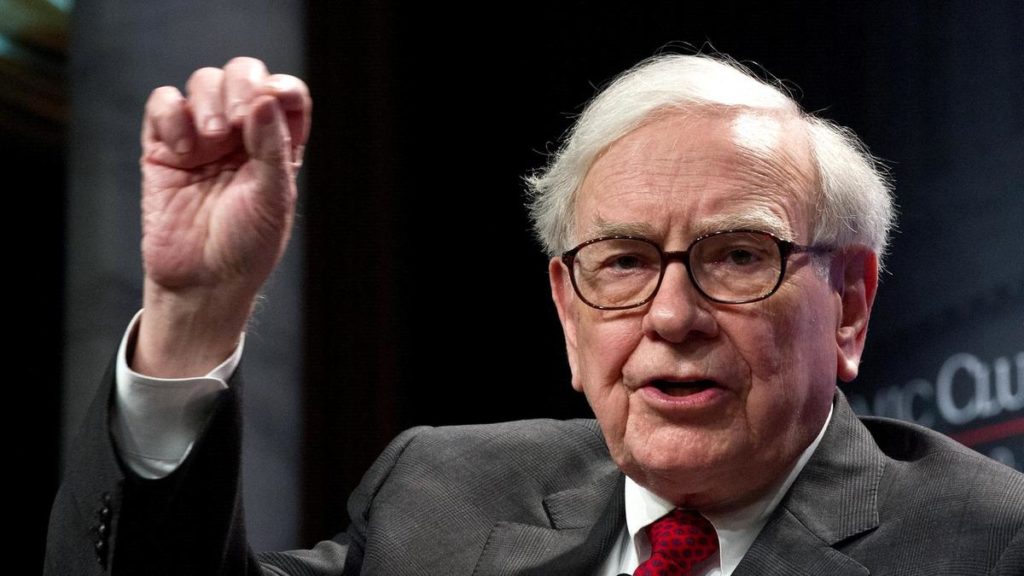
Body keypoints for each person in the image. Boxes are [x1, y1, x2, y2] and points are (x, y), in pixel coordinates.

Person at [46, 53, 1023, 576]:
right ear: (567, 312)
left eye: (736, 256)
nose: (672, 315)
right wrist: (194, 314)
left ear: (847, 307)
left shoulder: (987, 546)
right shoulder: (440, 496)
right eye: (623, 262)